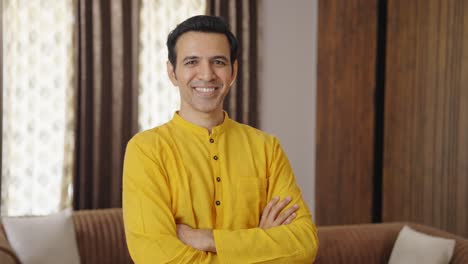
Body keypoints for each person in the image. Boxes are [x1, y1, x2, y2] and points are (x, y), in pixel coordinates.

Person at [123, 15, 318, 263]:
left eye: (218, 62)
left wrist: (208, 239)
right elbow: (157, 257)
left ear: (233, 71)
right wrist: (259, 241)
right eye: (192, 62)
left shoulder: (267, 148)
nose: (207, 74)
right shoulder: (146, 150)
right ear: (172, 72)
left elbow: (304, 245)